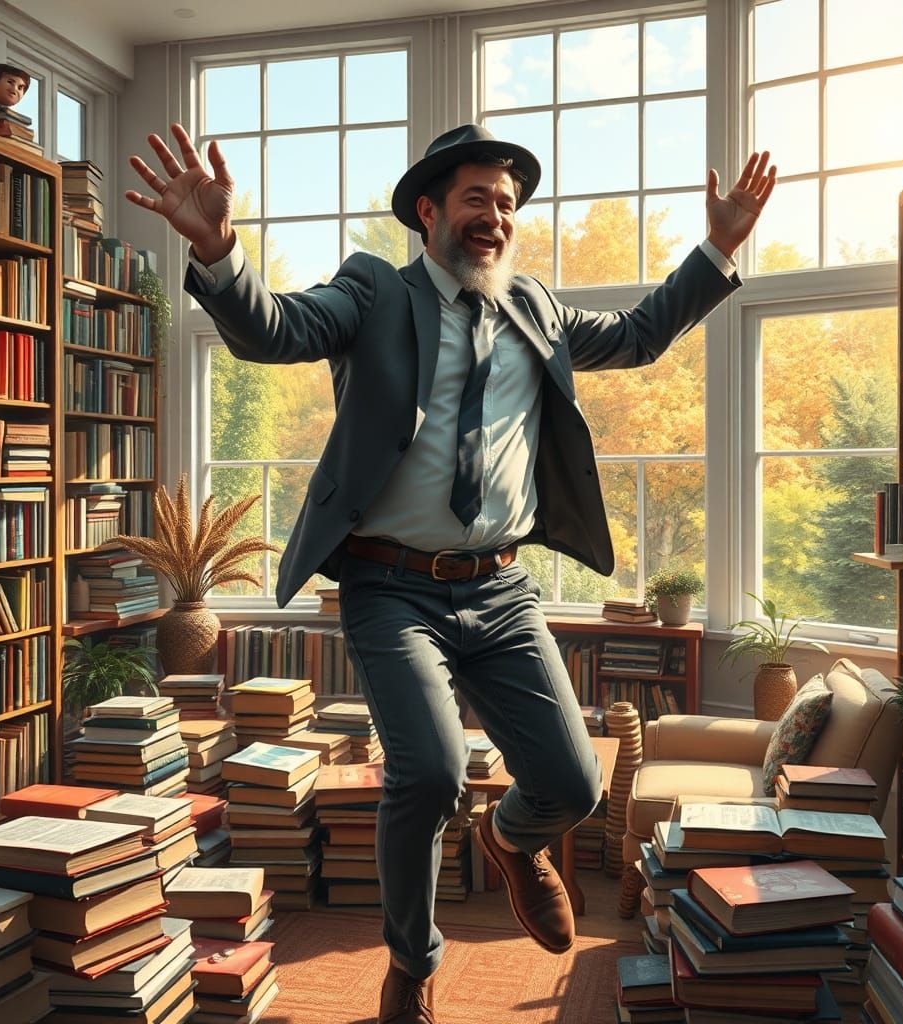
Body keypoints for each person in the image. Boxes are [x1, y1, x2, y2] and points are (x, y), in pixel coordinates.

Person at [127, 121, 775, 1024]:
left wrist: (719, 247)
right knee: (427, 774)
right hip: (391, 588)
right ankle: (412, 962)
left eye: (506, 204)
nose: (495, 217)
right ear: (428, 210)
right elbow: (274, 330)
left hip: (499, 588)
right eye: (476, 198)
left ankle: (514, 843)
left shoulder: (535, 309)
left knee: (577, 784)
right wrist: (219, 249)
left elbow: (638, 336)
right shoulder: (372, 293)